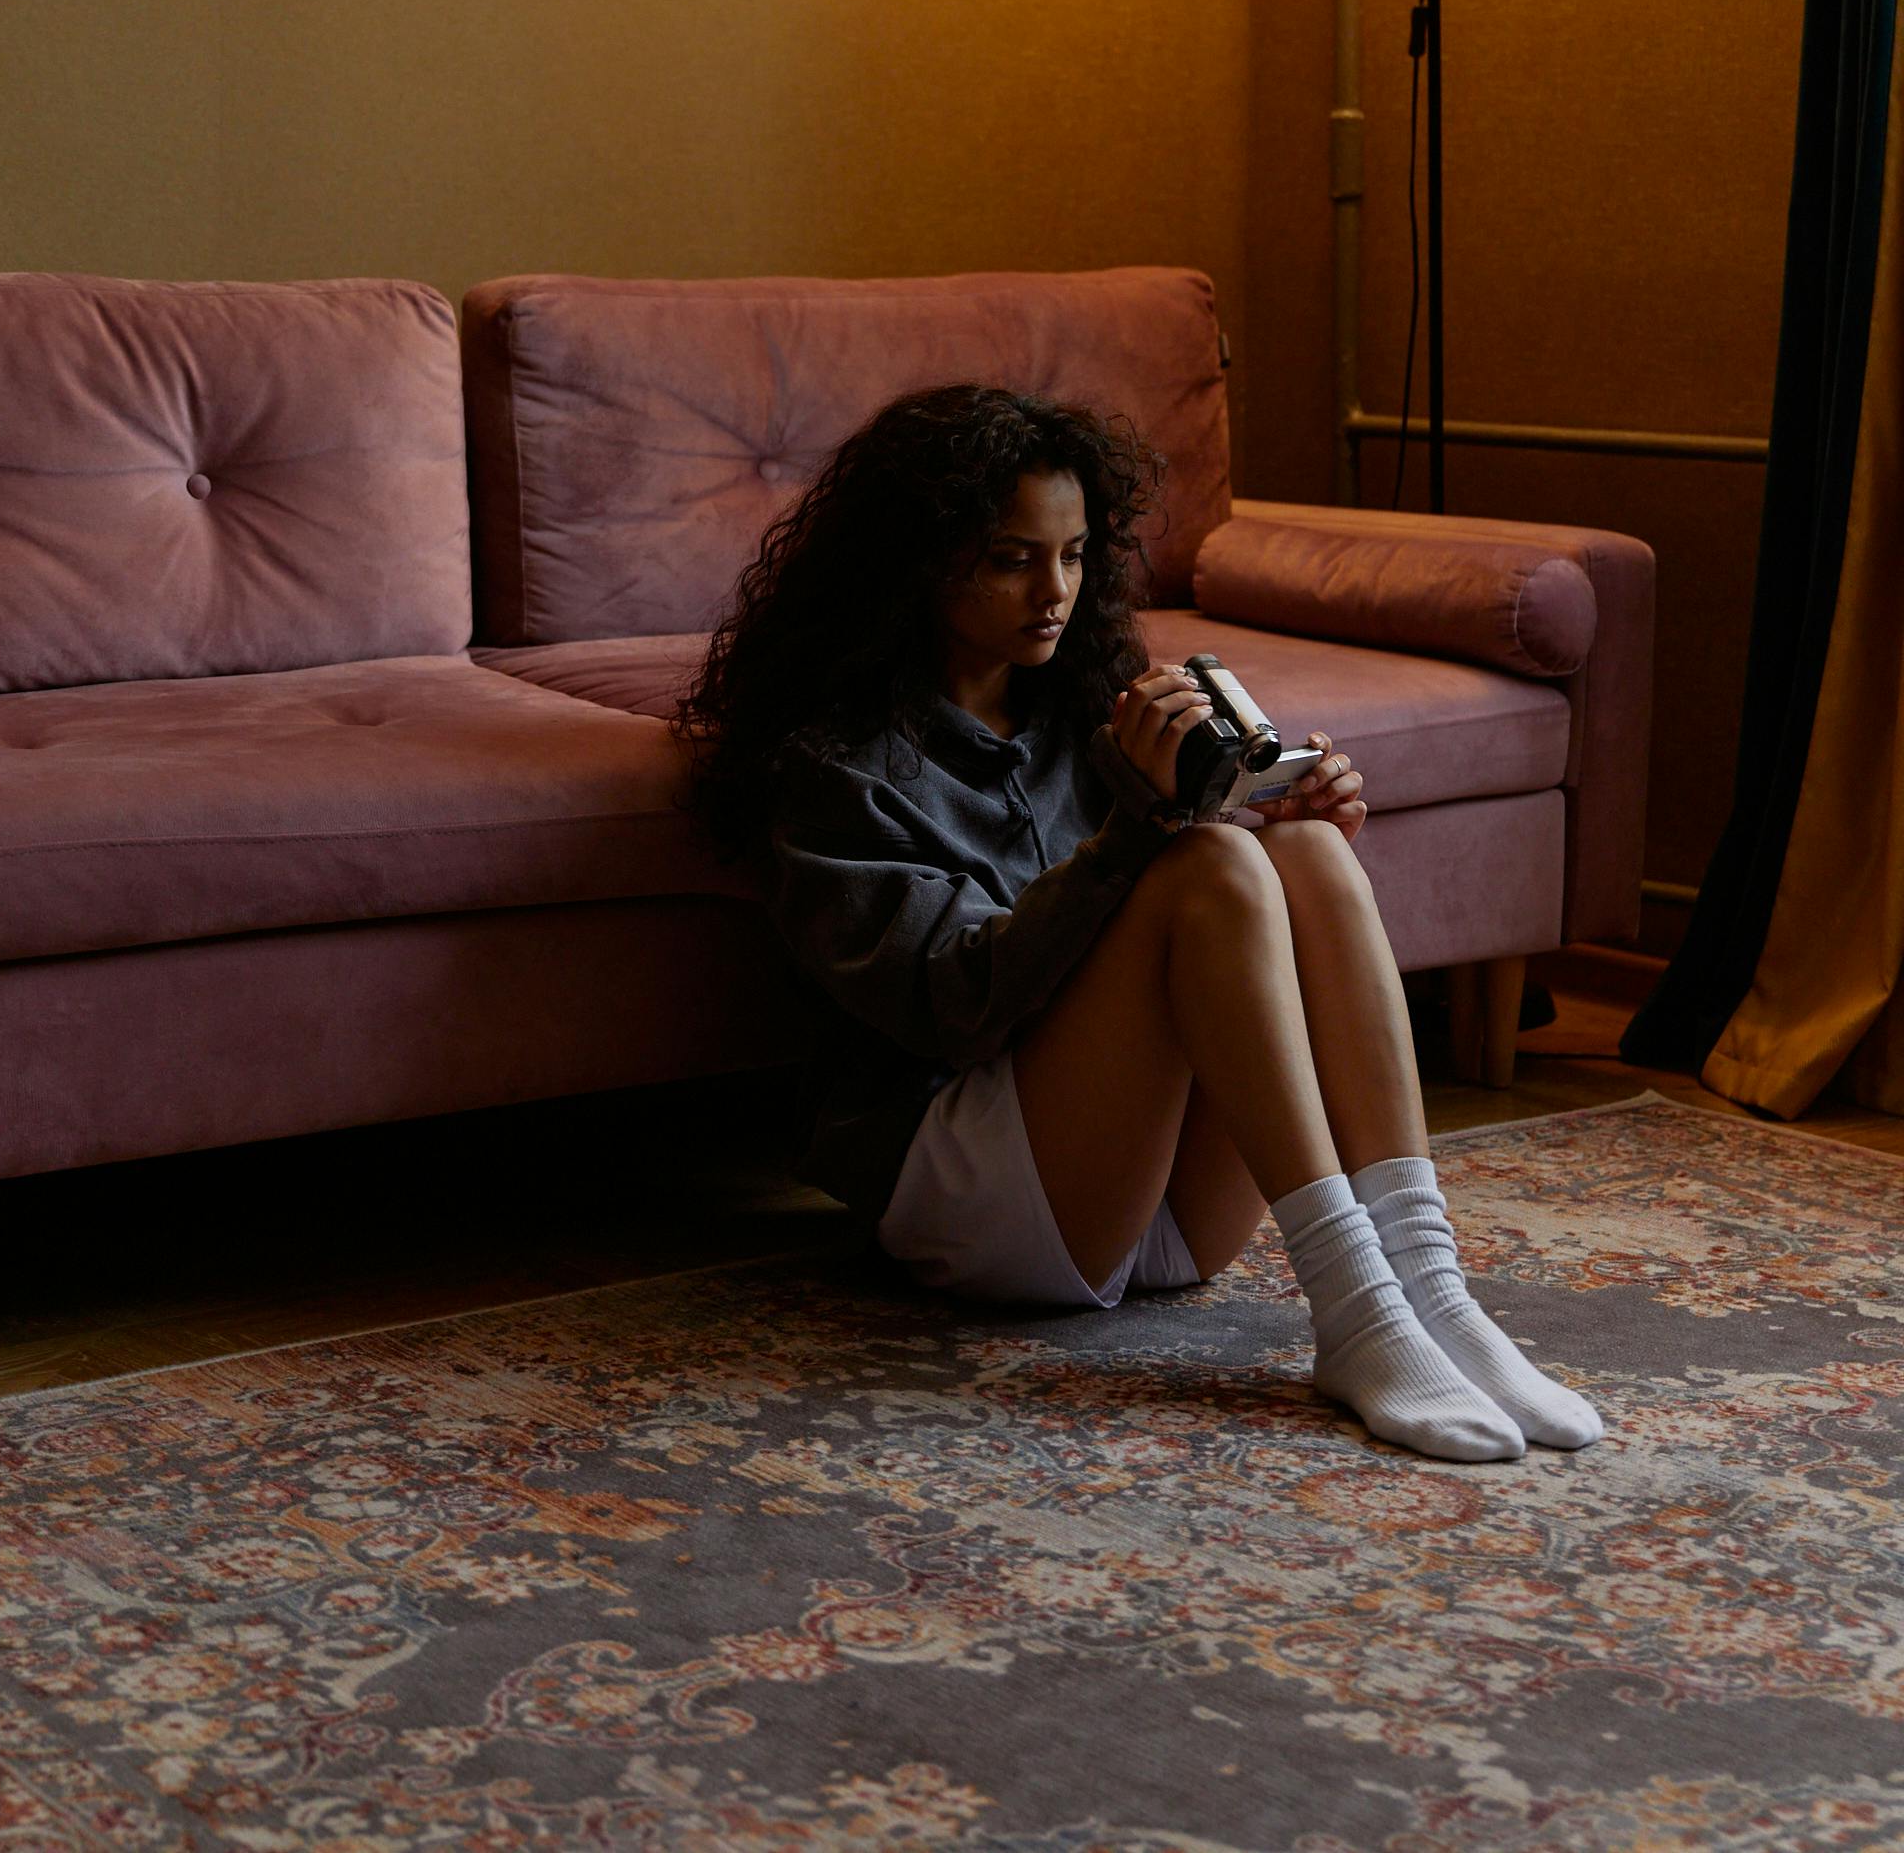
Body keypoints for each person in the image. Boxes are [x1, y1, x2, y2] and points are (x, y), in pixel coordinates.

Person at [679, 384, 1602, 1465]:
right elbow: (953, 1013)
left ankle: (1432, 1297)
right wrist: (1140, 831)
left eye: (1073, 555)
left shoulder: (1080, 708)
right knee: (1206, 862)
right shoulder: (834, 765)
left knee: (1292, 850)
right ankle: (1356, 1313)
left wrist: (1270, 812)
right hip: (966, 1190)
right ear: (919, 562)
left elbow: (1152, 932)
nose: (1055, 591)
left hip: (1147, 1203)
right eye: (1011, 558)